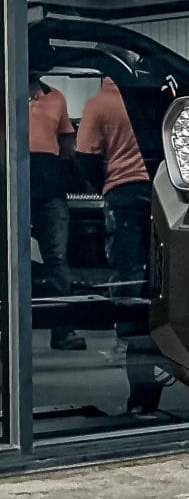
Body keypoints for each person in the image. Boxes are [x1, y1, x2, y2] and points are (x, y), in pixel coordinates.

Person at [77, 77, 164, 417]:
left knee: (126, 270)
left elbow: (85, 155)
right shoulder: (152, 100)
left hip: (122, 193)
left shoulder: (99, 104)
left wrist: (105, 186)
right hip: (160, 192)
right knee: (160, 268)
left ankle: (126, 337)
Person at [28, 75, 83, 350]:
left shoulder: (56, 97)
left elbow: (67, 145)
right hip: (12, 190)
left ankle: (63, 332)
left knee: (57, 261)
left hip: (50, 191)